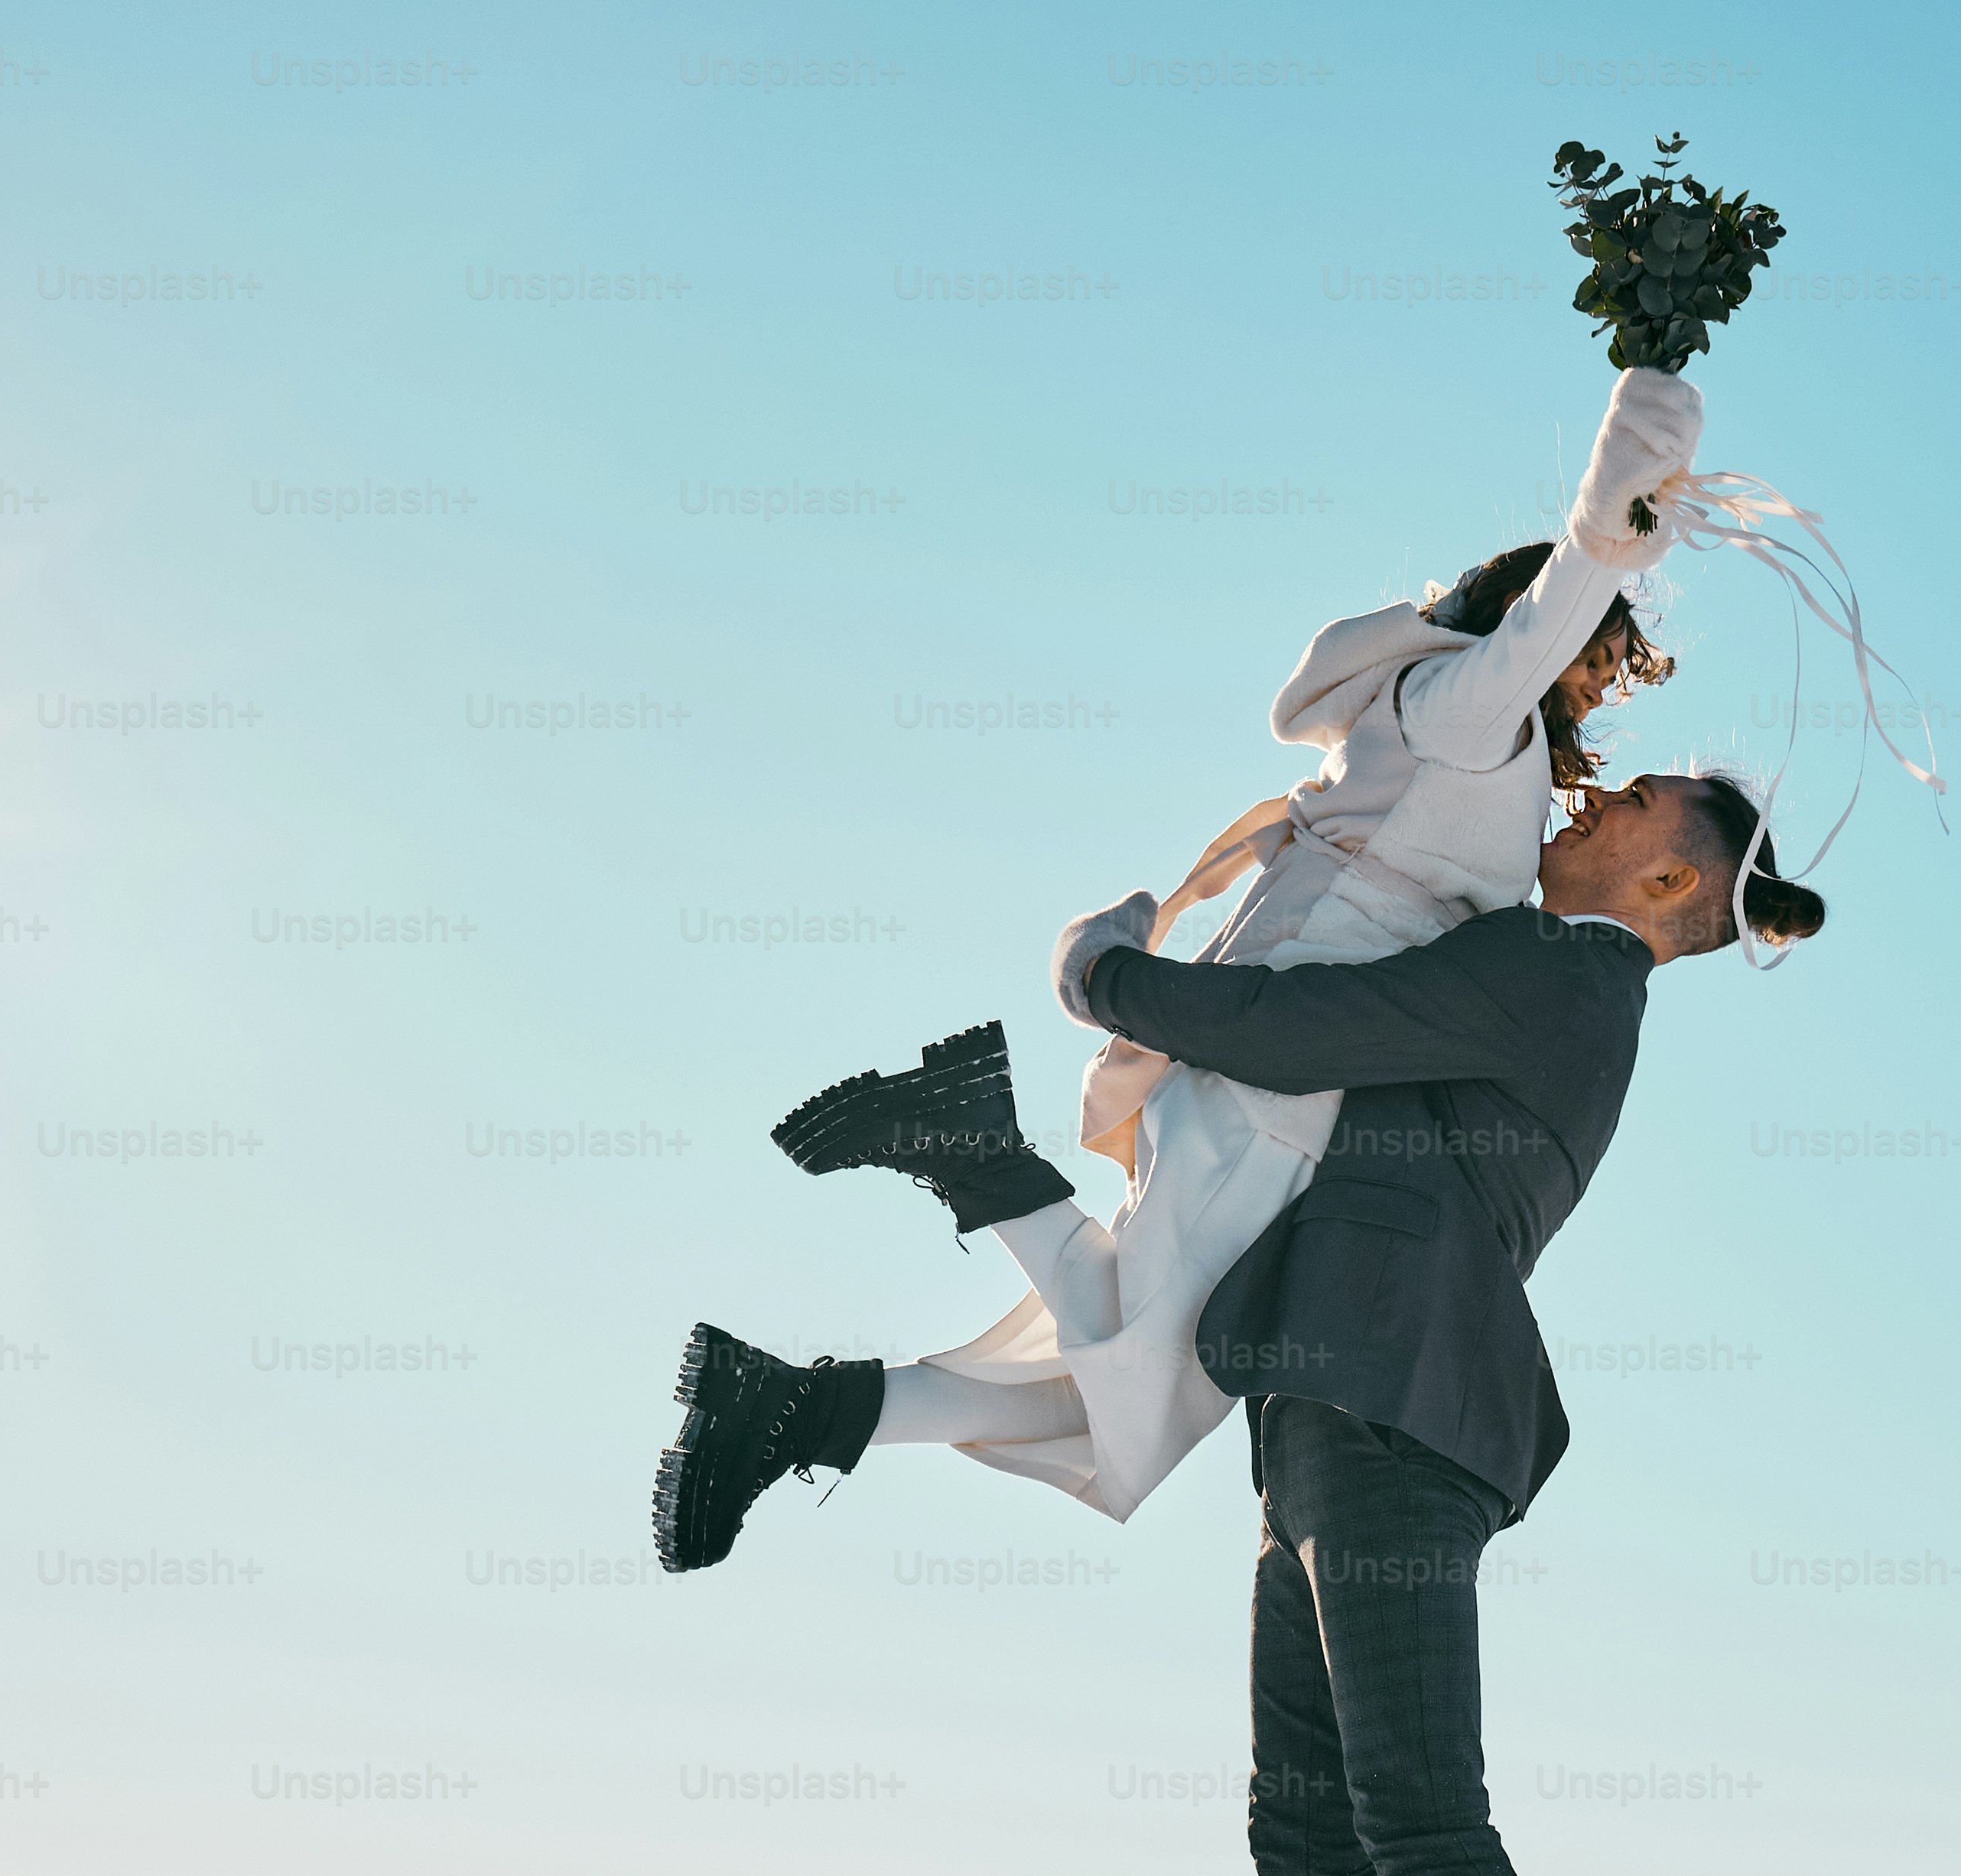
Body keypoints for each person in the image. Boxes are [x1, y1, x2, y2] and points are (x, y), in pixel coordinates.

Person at [659, 770, 1826, 1876]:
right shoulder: (1535, 964)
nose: (1584, 798)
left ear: (1674, 885)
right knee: (1308, 1833)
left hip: (1398, 1404)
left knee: (1417, 1815)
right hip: (1327, 1402)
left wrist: (1105, 980)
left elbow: (1295, 1027)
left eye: (1627, 804)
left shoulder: (1560, 971)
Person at [678, 369, 1705, 1535]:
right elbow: (1559, 598)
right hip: (1287, 1075)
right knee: (1146, 1377)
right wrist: (1623, 499)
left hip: (1262, 1061)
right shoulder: (1479, 712)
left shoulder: (1453, 724)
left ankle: (789, 1407)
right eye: (1594, 655)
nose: (1594, 681)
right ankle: (961, 1148)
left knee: (1103, 1381)